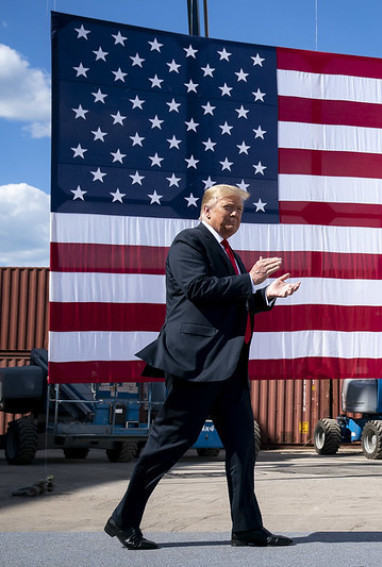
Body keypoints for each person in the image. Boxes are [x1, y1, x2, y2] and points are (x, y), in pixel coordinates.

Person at [105, 184, 301, 550]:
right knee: (167, 446)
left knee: (243, 447)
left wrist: (266, 296)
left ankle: (246, 528)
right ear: (207, 209)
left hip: (229, 367)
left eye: (240, 211)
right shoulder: (188, 242)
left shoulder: (234, 256)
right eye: (228, 208)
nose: (235, 216)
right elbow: (198, 289)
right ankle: (123, 519)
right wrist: (250, 281)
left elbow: (232, 301)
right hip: (194, 363)